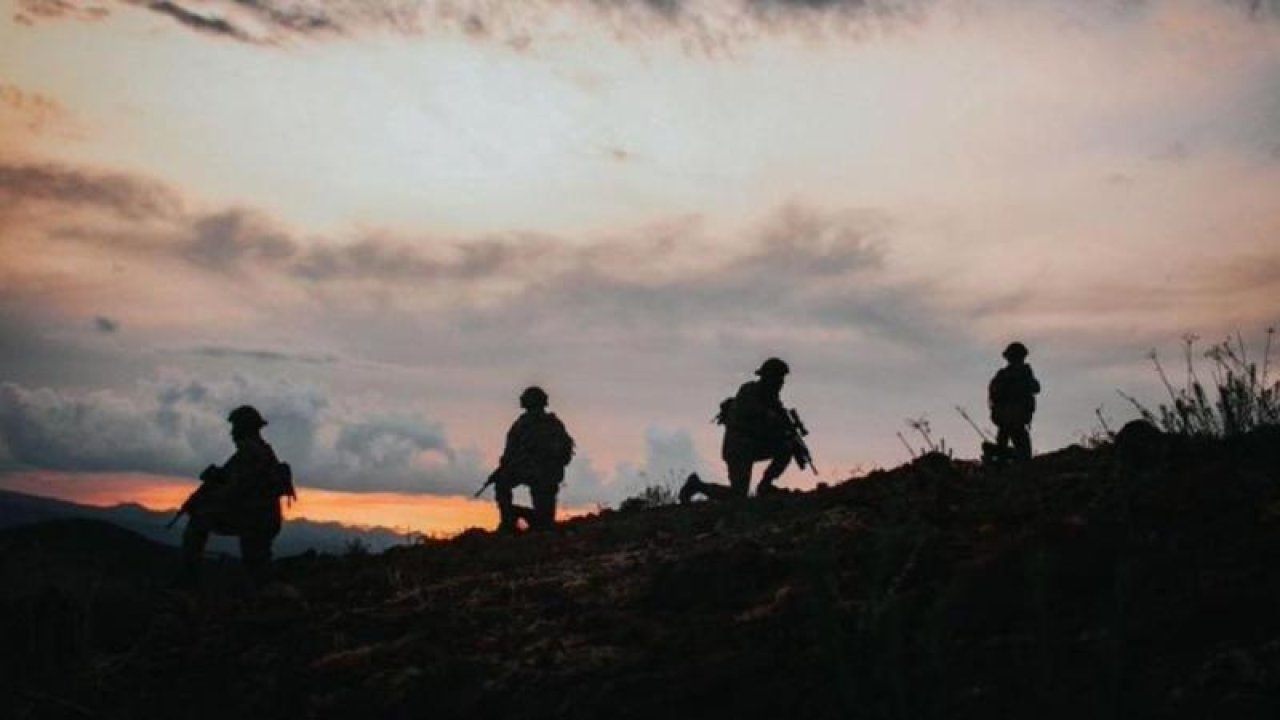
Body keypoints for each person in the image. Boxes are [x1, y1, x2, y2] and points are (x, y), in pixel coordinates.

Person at [178, 405, 293, 587]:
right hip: (261, 519)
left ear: (243, 428)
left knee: (198, 523)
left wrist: (205, 501)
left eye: (235, 427)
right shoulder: (258, 451)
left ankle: (188, 581)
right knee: (258, 566)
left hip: (255, 520)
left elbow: (235, 491)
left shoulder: (251, 453)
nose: (232, 433)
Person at [680, 357, 795, 502]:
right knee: (738, 496)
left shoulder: (773, 400)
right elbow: (753, 414)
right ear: (769, 378)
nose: (781, 383)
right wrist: (771, 417)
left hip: (752, 446)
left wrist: (785, 430)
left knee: (786, 447)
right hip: (738, 449)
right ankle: (697, 485)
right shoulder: (748, 391)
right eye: (778, 378)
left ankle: (765, 485)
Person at [491, 386, 575, 533]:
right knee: (545, 522)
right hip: (548, 476)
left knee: (544, 522)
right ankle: (515, 519)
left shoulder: (522, 425)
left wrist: (508, 467)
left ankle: (510, 520)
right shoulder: (554, 424)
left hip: (536, 474)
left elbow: (508, 456)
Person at [987, 342, 1041, 463]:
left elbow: (1036, 388)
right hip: (1013, 419)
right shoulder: (1016, 374)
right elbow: (1036, 388)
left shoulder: (1004, 375)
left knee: (1006, 449)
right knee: (1023, 453)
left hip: (1008, 419)